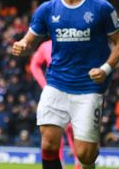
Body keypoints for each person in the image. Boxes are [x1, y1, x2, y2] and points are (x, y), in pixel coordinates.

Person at [12, 0, 119, 169]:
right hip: (56, 83)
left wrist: (105, 68)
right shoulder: (47, 9)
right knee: (48, 142)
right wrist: (22, 46)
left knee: (85, 155)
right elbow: (29, 42)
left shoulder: (102, 8)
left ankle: (88, 159)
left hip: (89, 87)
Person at [31, 40, 80, 169]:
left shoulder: (75, 41)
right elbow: (34, 65)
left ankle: (78, 165)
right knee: (54, 134)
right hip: (55, 94)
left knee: (73, 131)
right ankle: (61, 164)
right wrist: (45, 85)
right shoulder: (46, 46)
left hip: (76, 92)